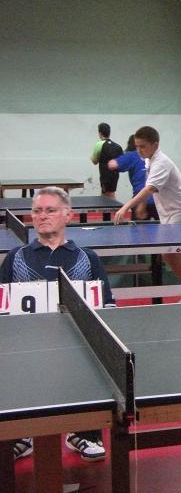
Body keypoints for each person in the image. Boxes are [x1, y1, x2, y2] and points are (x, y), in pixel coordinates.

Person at [1, 187, 115, 462]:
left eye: (50, 210)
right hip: (27, 346)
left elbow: (108, 305)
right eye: (37, 211)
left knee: (95, 359)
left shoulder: (87, 258)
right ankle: (23, 434)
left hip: (77, 345)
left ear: (68, 216)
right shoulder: (16, 258)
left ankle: (83, 433)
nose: (42, 216)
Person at [112, 126, 181, 300]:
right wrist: (142, 205)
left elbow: (150, 188)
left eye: (143, 146)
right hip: (169, 213)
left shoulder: (161, 163)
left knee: (169, 252)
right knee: (168, 253)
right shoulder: (149, 160)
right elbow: (149, 186)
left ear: (155, 145)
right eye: (137, 146)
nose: (139, 150)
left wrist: (125, 207)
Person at [107, 134, 158, 221]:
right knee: (164, 227)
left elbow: (112, 164)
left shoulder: (131, 156)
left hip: (140, 198)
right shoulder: (154, 157)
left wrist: (118, 158)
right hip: (158, 200)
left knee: (137, 229)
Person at [90, 122, 123, 200]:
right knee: (111, 194)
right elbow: (122, 162)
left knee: (106, 196)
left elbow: (94, 161)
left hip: (105, 175)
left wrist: (91, 158)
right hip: (115, 176)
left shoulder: (99, 144)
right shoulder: (118, 146)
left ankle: (115, 209)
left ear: (100, 133)